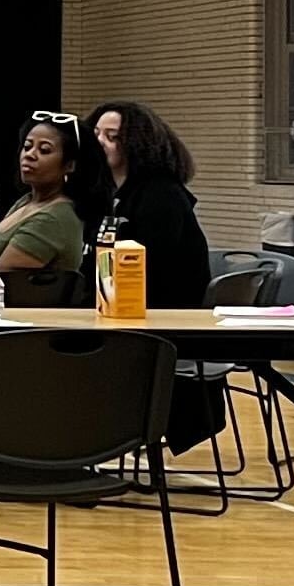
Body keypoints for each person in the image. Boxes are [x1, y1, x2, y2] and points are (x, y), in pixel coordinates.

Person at [86, 97, 226, 453]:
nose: (99, 141)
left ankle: (87, 441)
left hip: (163, 322)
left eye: (111, 136)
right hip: (120, 313)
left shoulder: (161, 197)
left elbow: (151, 272)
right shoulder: (105, 196)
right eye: (95, 133)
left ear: (136, 144)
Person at [0, 112, 92, 284]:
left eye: (44, 150)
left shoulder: (54, 218)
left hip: (9, 306)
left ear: (70, 165)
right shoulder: (26, 201)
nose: (30, 155)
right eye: (27, 146)